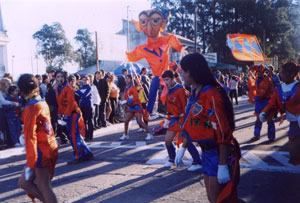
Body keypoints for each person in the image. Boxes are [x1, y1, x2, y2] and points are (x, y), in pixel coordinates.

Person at [174, 53, 241, 203]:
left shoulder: (212, 94)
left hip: (219, 153)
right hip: (207, 153)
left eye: (183, 71)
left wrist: (222, 164)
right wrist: (183, 147)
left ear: (193, 71)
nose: (181, 74)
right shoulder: (195, 92)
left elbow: (224, 131)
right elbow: (191, 122)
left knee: (221, 199)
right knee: (214, 199)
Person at [17, 74, 58, 203]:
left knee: (43, 185)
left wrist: (31, 159)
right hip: (46, 145)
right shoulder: (41, 101)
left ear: (22, 89)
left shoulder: (31, 107)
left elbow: (30, 136)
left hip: (41, 149)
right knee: (24, 182)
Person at [260, 62, 300, 165]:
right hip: (293, 123)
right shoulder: (279, 89)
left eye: (282, 72)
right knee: (293, 146)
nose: (280, 74)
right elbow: (272, 103)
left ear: (290, 74)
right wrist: (264, 113)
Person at [162, 70, 202, 171]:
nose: (166, 82)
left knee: (186, 141)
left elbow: (186, 107)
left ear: (173, 78)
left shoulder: (180, 89)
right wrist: (168, 118)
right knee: (167, 141)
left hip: (182, 118)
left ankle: (197, 161)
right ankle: (172, 158)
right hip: (173, 119)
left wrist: (184, 120)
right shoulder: (168, 89)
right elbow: (170, 106)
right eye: (164, 80)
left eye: (167, 80)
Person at [55, 71, 93, 164]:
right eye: (57, 77)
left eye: (61, 76)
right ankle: (87, 153)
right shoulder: (57, 88)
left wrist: (66, 116)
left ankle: (77, 156)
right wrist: (60, 115)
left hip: (73, 112)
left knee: (73, 135)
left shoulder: (69, 88)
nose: (59, 78)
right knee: (75, 135)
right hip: (67, 114)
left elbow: (71, 103)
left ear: (64, 78)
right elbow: (59, 104)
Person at [119, 74, 153, 141]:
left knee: (140, 121)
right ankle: (126, 135)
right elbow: (126, 96)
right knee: (126, 121)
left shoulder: (134, 87)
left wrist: (126, 101)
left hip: (137, 106)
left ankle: (149, 134)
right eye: (125, 78)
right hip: (131, 107)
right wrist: (124, 102)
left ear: (131, 79)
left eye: (128, 78)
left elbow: (135, 97)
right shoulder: (126, 87)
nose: (126, 80)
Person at [250, 65, 275, 141]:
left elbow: (264, 92)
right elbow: (256, 89)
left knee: (269, 119)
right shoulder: (257, 79)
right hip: (259, 103)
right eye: (257, 72)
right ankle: (256, 135)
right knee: (258, 119)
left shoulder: (268, 80)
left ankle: (271, 136)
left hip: (266, 101)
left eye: (260, 72)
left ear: (264, 72)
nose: (258, 73)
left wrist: (256, 97)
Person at [0, 78, 18, 147]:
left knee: (7, 127)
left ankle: (8, 142)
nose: (9, 85)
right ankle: (3, 142)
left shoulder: (5, 92)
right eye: (8, 83)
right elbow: (3, 102)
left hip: (5, 111)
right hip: (1, 110)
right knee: (3, 127)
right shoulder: (1, 93)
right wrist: (14, 103)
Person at [76, 75, 94, 141]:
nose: (84, 81)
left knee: (90, 121)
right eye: (83, 80)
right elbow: (78, 95)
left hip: (88, 105)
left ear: (88, 81)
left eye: (86, 80)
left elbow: (84, 95)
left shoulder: (89, 87)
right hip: (82, 106)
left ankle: (90, 135)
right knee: (84, 121)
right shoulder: (81, 88)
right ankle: (86, 135)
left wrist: (77, 91)